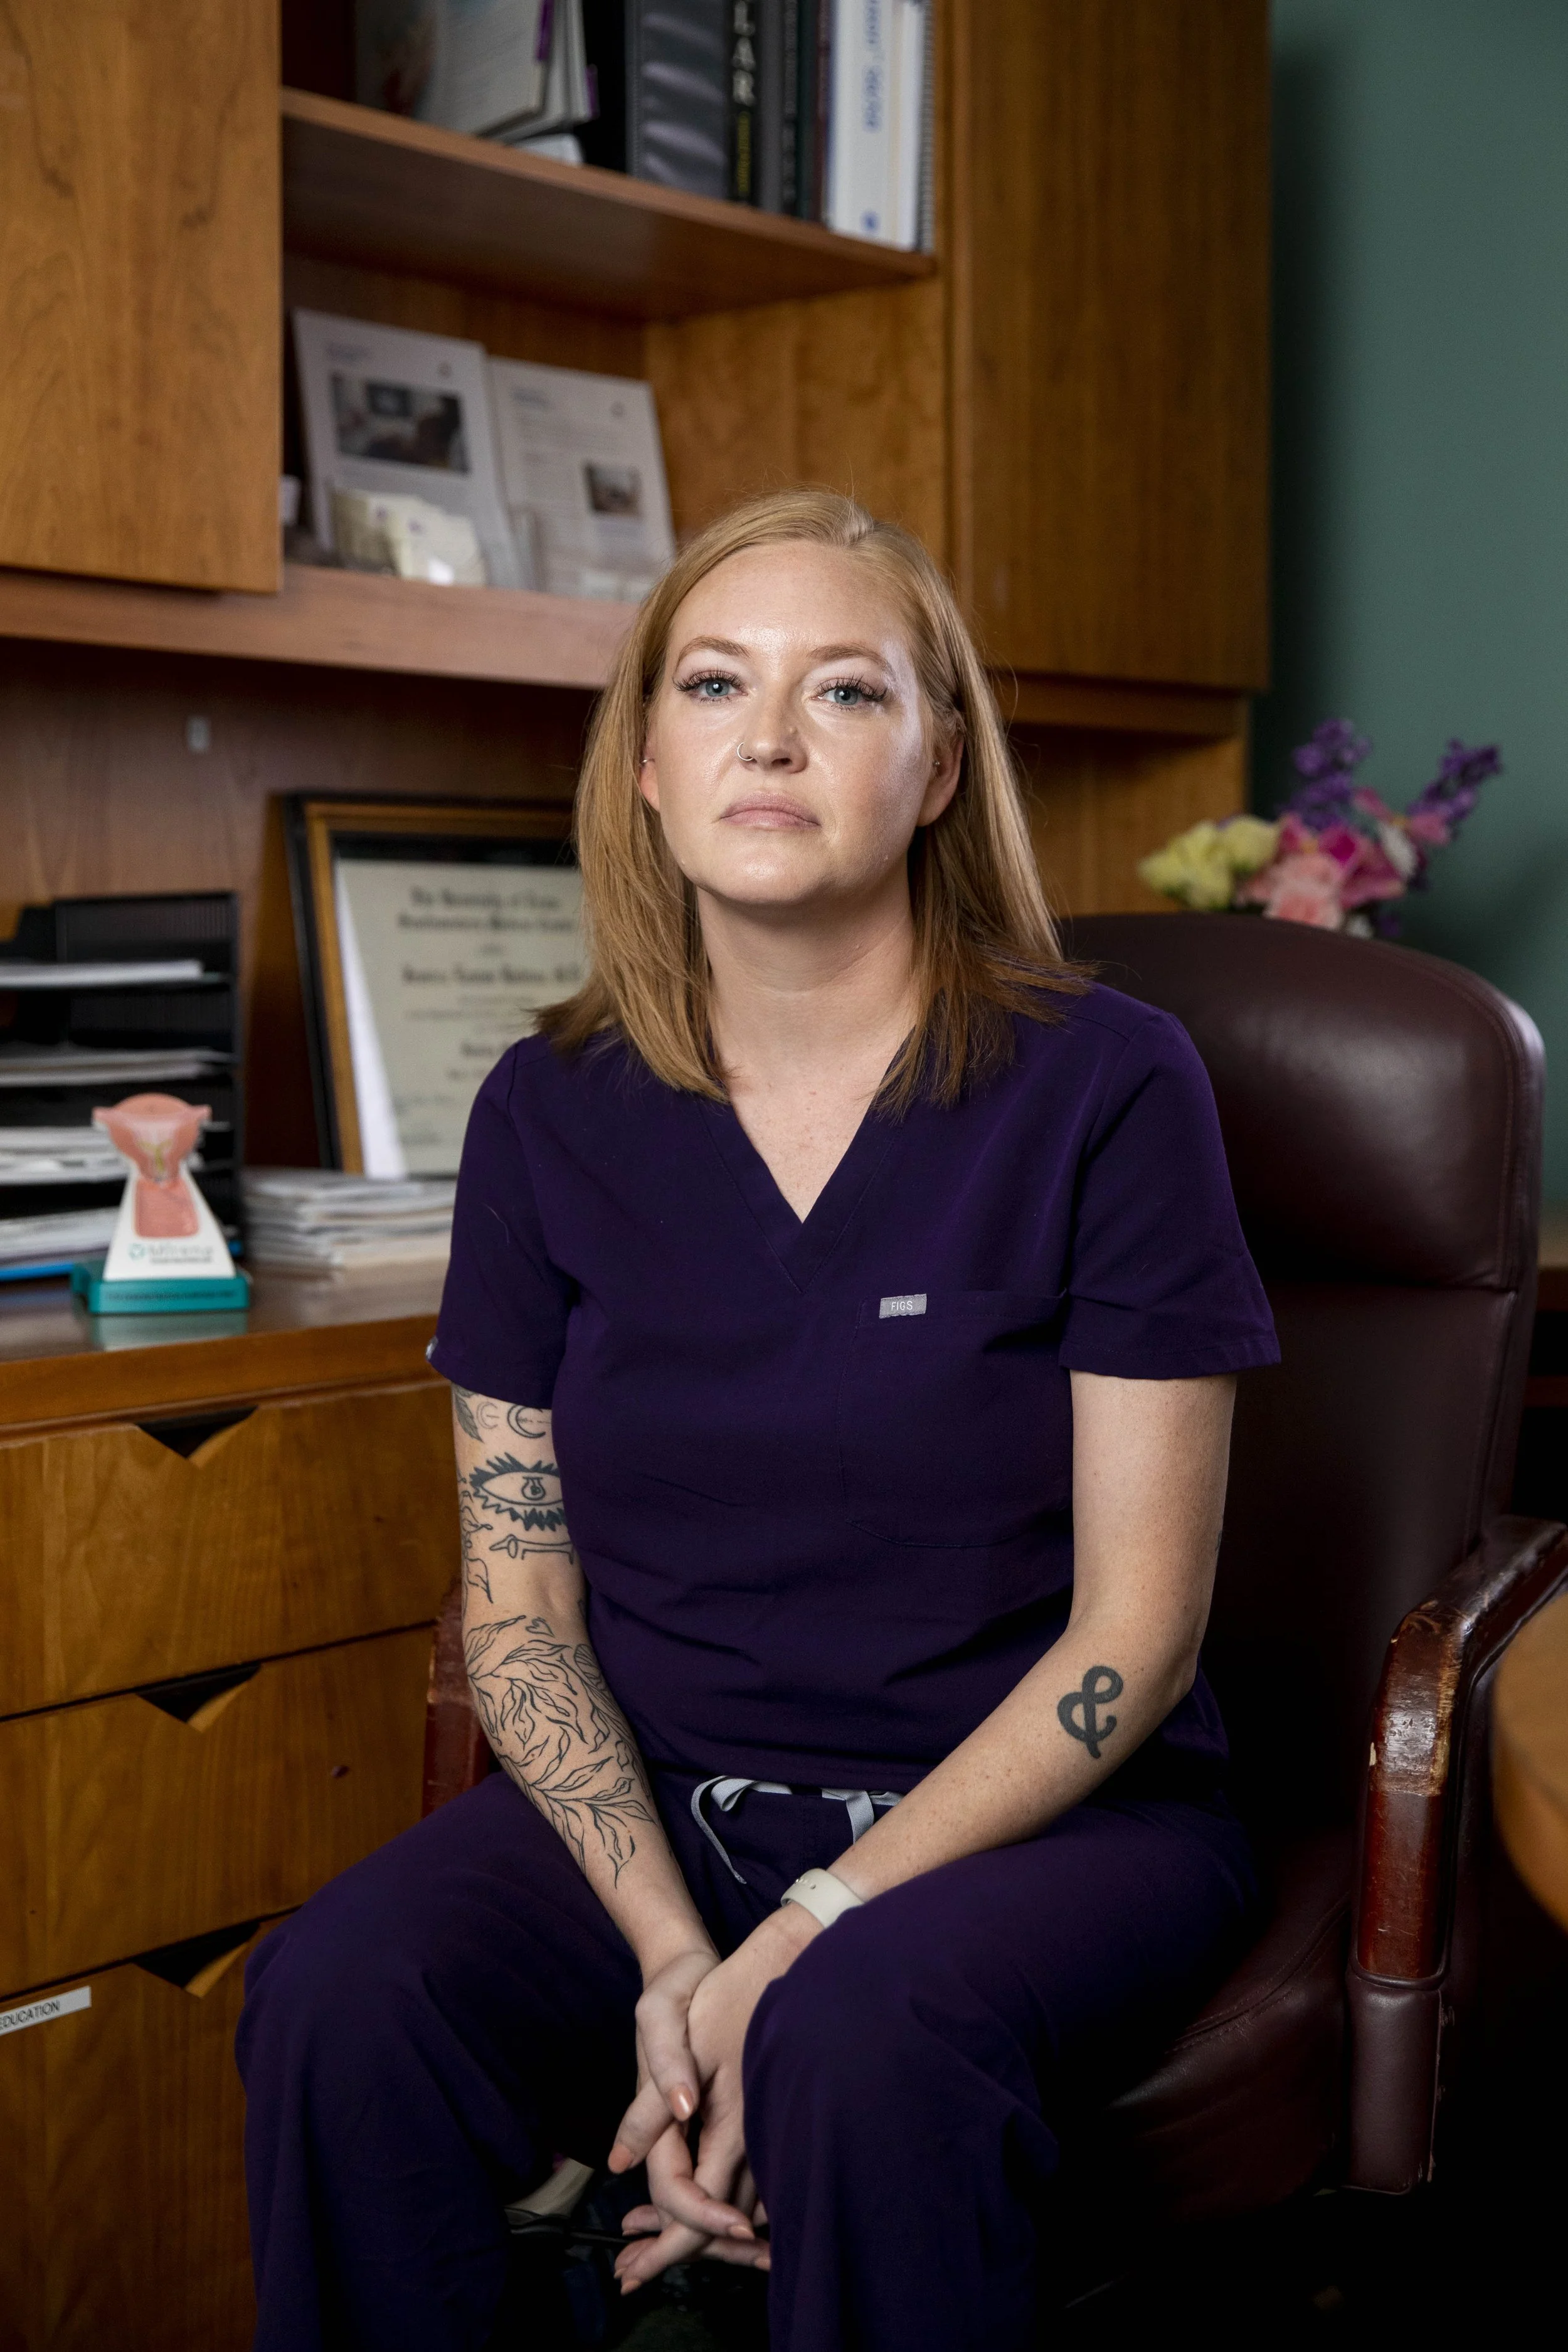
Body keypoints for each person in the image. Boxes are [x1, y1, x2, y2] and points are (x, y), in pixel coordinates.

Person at [237, 489, 1279, 2352]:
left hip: (1043, 1832)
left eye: (848, 691)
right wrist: (666, 1948)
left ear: (941, 764)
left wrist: (794, 1942)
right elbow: (522, 1602)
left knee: (862, 2031)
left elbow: (1139, 1632)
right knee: (338, 1992)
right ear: (645, 761)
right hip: (671, 1806)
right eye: (715, 683)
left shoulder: (1105, 1083)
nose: (772, 735)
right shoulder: (546, 1111)